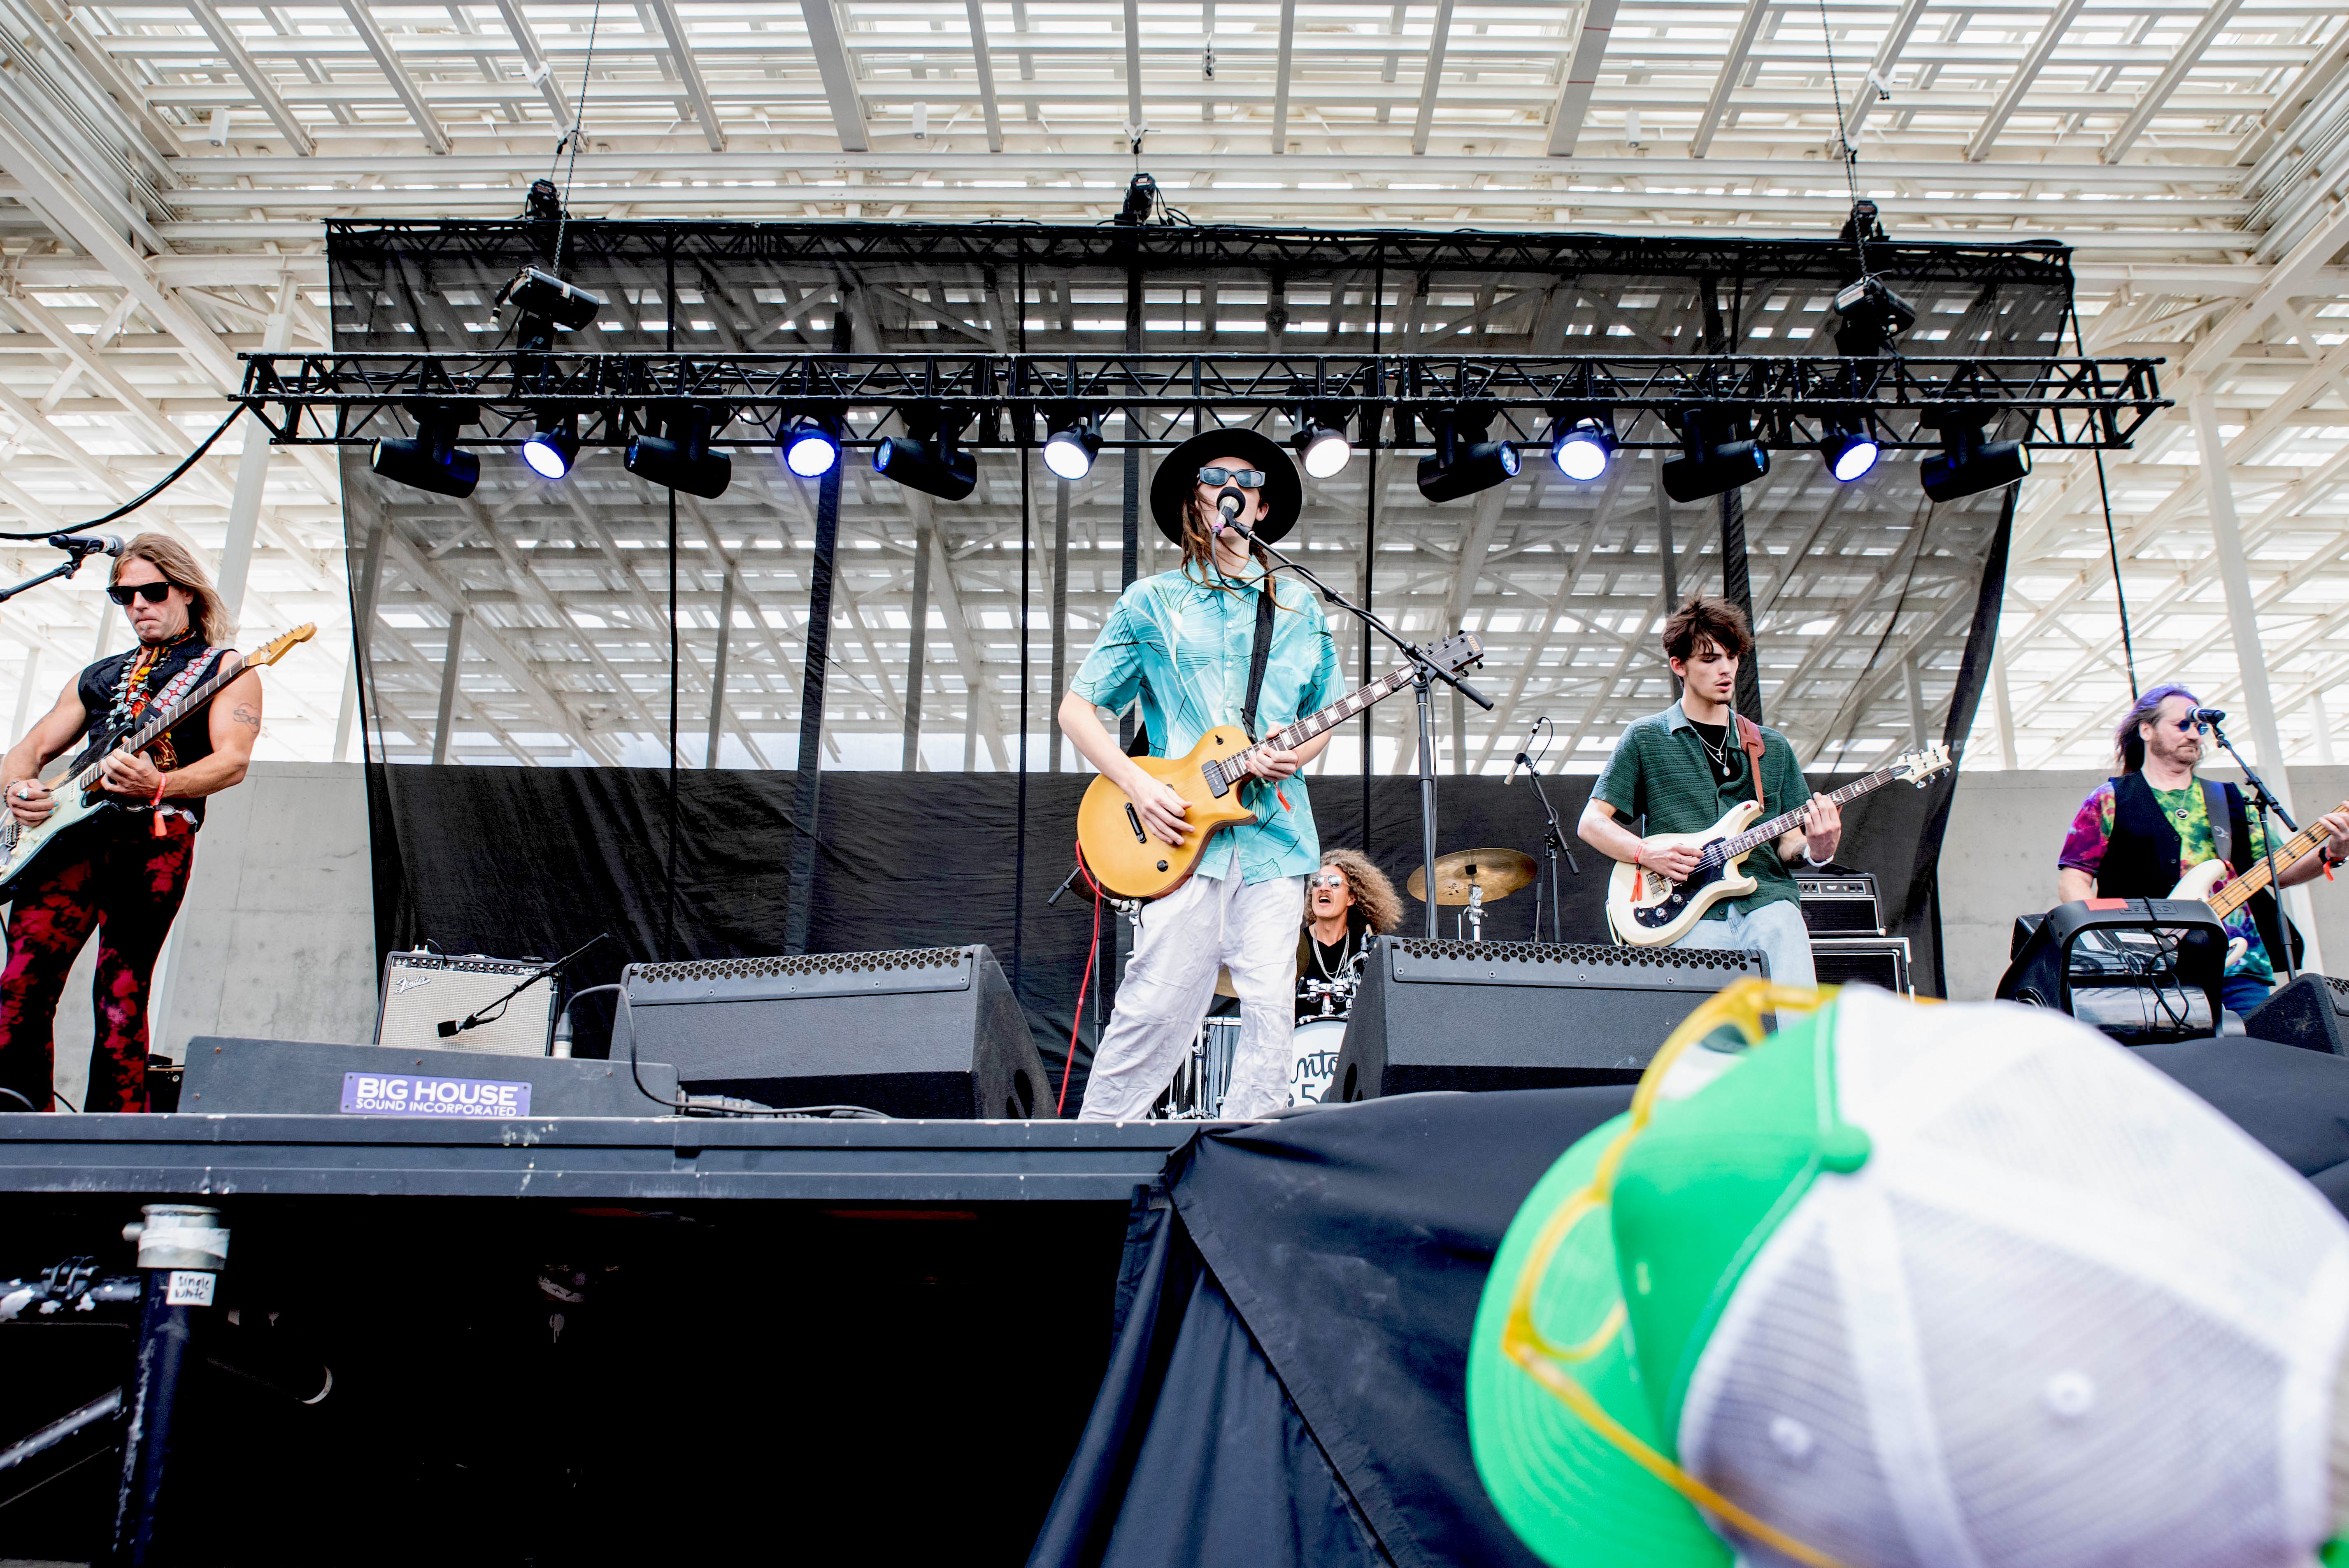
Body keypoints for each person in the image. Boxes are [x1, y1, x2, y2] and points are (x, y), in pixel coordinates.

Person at [1057, 427, 1339, 1121]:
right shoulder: (1150, 601)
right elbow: (1077, 709)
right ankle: (1092, 1153)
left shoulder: (1303, 609)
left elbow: (1321, 721)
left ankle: (1249, 1155)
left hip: (1275, 837)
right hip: (1181, 835)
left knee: (1272, 1010)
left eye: (1246, 480)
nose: (1230, 488)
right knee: (1157, 1003)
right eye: (1214, 476)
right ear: (1195, 497)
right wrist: (1138, 785)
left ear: (1263, 508)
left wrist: (1290, 755)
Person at [0, 536, 262, 1112]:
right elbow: (28, 749)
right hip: (67, 841)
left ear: (187, 592)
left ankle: (112, 1136)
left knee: (118, 994)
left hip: (153, 841)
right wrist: (20, 788)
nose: (138, 604)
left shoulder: (225, 669)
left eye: (153, 591)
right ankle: (19, 1121)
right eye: (124, 595)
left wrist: (160, 785)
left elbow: (233, 760)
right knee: (21, 983)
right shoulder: (97, 674)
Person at [1575, 594, 1839, 985]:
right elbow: (1591, 823)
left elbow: (1788, 845)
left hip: (1766, 902)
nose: (1726, 669)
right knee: (1709, 1039)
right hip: (1686, 914)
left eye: (1731, 657)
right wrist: (1648, 852)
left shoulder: (1773, 747)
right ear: (1678, 665)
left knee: (1795, 1025)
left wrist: (1820, 850)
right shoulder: (1646, 738)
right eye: (1710, 659)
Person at [2056, 684, 2349, 1017]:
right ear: (2147, 730)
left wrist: (2333, 852)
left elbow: (2278, 872)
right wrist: (2115, 940)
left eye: (2199, 727)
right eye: (2182, 725)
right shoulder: (2110, 799)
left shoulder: (2230, 799)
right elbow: (2074, 881)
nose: (2194, 734)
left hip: (2240, 965)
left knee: (2256, 1057)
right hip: (2153, 968)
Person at [1296, 848, 1400, 1023]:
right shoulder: (1295, 946)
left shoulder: (1366, 949)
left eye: (1335, 883)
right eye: (1317, 882)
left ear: (1351, 898)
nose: (1324, 888)